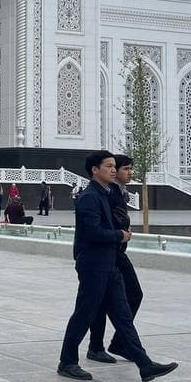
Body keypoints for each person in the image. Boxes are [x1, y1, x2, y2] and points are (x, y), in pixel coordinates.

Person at [60, 150, 177, 382]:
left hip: (109, 262)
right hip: (93, 264)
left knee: (123, 316)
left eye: (115, 166)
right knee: (84, 313)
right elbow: (92, 233)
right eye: (108, 166)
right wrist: (119, 235)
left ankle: (145, 365)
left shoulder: (104, 193)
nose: (113, 170)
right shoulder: (90, 197)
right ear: (95, 170)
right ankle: (67, 362)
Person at [86, 154, 145, 365]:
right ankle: (108, 345)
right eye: (124, 168)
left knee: (102, 301)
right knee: (127, 296)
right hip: (110, 253)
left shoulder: (118, 192)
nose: (128, 173)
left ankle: (102, 345)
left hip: (115, 250)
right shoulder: (106, 193)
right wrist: (119, 233)